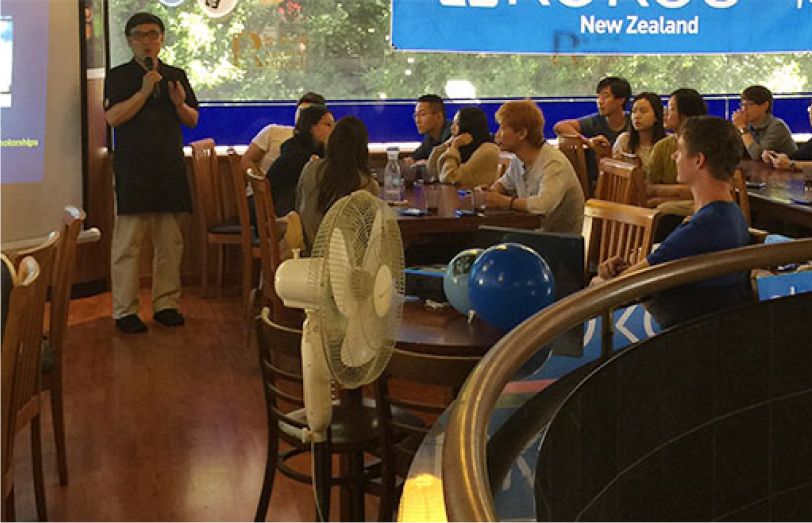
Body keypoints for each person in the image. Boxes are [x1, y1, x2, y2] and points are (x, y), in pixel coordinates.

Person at [593, 116, 752, 330]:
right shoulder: (733, 215)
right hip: (711, 328)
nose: (673, 156)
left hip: (675, 335)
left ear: (698, 160)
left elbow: (619, 289)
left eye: (680, 150)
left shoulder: (701, 229)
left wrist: (600, 280)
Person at [104, 12, 198, 334]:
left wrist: (179, 104)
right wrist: (144, 92)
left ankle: (166, 304)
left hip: (169, 168)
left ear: (162, 39)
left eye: (152, 34)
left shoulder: (175, 75)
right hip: (134, 169)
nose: (147, 41)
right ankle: (125, 310)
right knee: (128, 245)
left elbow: (192, 120)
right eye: (139, 35)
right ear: (129, 41)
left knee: (170, 243)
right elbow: (113, 118)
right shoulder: (118, 76)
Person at [481, 100, 584, 235]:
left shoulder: (554, 163)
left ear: (522, 134)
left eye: (502, 128)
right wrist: (491, 192)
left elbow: (543, 205)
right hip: (532, 233)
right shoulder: (518, 159)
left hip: (560, 241)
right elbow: (505, 184)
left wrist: (503, 201)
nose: (497, 134)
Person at [296, 116, 380, 251]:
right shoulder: (368, 185)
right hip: (349, 258)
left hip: (310, 251)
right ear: (363, 148)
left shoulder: (310, 169)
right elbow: (369, 232)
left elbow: (299, 206)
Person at [255, 105, 334, 223]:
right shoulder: (296, 157)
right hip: (283, 218)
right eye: (328, 125)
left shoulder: (297, 147)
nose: (333, 130)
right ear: (311, 127)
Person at [645, 88, 708, 208]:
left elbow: (707, 189)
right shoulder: (661, 146)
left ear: (686, 114)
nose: (665, 113)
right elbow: (649, 188)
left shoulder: (706, 144)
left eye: (671, 109)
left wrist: (663, 198)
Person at [239, 91, 325, 177]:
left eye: (308, 113)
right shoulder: (273, 131)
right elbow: (247, 160)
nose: (302, 116)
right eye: (301, 111)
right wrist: (261, 182)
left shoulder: (320, 143)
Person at [553, 76, 632, 159]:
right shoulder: (596, 122)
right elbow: (560, 126)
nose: (600, 101)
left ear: (621, 100)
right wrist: (588, 142)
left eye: (605, 97)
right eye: (598, 97)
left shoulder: (633, 123)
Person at [427, 107, 500, 188]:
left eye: (457, 124)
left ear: (468, 126)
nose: (452, 128)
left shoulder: (488, 150)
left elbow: (449, 178)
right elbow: (433, 171)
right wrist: (446, 145)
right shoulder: (466, 147)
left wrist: (454, 148)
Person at [732, 85, 797, 160]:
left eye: (749, 104)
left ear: (765, 106)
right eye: (742, 104)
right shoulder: (748, 125)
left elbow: (757, 155)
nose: (744, 109)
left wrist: (742, 128)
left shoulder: (777, 126)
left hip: (789, 167)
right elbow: (733, 151)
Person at [612, 92, 666, 172]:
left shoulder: (668, 143)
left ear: (656, 116)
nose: (636, 116)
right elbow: (614, 172)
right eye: (633, 111)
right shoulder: (624, 140)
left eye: (643, 111)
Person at [763, 96, 812, 170]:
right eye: (810, 110)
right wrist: (775, 157)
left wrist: (791, 165)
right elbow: (798, 157)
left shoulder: (777, 125)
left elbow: (792, 163)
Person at [404, 94, 452, 166]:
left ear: (438, 116)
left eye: (422, 114)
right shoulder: (430, 138)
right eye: (415, 115)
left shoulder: (453, 134)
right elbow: (413, 158)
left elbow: (447, 164)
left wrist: (428, 163)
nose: (417, 120)